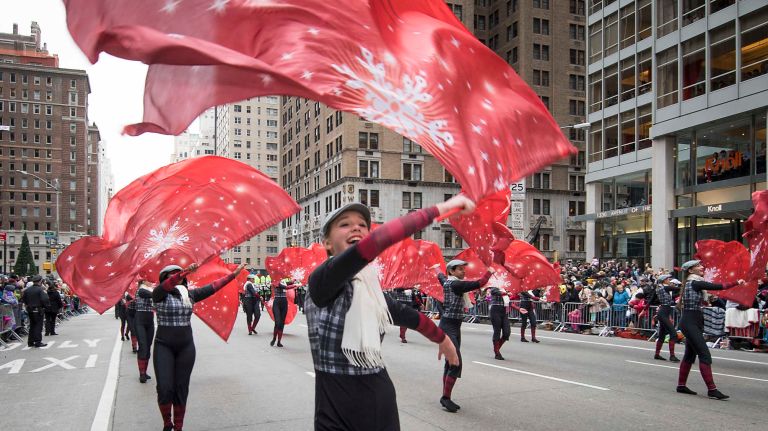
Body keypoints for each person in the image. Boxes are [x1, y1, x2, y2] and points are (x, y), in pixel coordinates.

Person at [306, 200, 462, 430]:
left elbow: (409, 316)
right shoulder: (321, 280)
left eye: (362, 224)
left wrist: (444, 340)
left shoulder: (370, 291)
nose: (356, 228)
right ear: (327, 243)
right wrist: (441, 209)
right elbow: (374, 245)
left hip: (379, 404)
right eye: (345, 224)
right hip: (332, 411)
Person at [152, 262, 245, 431]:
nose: (176, 277)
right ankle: (167, 423)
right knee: (165, 389)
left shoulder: (191, 295)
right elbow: (168, 284)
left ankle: (178, 426)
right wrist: (185, 271)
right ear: (164, 279)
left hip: (186, 347)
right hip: (163, 346)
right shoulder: (159, 294)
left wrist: (233, 275)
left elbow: (214, 286)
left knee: (181, 388)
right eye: (171, 275)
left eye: (178, 274)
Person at [676, 260, 745, 400]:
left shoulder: (693, 284)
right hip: (690, 322)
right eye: (698, 266)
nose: (702, 267)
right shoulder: (695, 282)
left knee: (690, 355)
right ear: (690, 270)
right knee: (705, 355)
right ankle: (712, 389)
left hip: (692, 321)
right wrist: (737, 282)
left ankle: (681, 385)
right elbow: (718, 286)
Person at [437, 259, 494, 413]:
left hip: (453, 326)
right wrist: (490, 270)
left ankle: (445, 396)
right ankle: (445, 398)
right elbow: (479, 283)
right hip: (449, 327)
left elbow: (440, 277)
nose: (464, 271)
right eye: (460, 269)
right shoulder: (456, 284)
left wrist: (436, 268)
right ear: (452, 271)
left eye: (464, 269)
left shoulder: (447, 281)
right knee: (455, 363)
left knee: (450, 364)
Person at [488, 286, 523, 360]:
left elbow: (508, 302)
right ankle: (497, 352)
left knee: (507, 332)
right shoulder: (495, 287)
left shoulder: (505, 289)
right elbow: (494, 291)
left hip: (503, 312)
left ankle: (497, 348)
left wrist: (519, 309)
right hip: (495, 311)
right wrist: (505, 292)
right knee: (497, 331)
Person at [653, 274, 680, 362]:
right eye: (668, 279)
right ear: (664, 280)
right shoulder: (665, 288)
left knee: (661, 335)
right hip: (664, 313)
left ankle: (657, 354)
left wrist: (644, 309)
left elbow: (651, 299)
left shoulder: (659, 288)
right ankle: (672, 355)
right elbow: (677, 289)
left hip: (663, 312)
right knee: (673, 334)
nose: (670, 281)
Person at [134, 280, 155, 383]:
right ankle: (141, 374)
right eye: (148, 280)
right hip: (140, 321)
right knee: (143, 346)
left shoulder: (151, 290)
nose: (151, 282)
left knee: (148, 346)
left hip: (150, 321)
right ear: (143, 281)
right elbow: (147, 294)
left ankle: (145, 371)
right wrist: (159, 292)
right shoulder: (141, 290)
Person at [20, 275, 49, 348]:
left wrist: (28, 305)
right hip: (38, 310)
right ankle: (38, 342)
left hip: (30, 310)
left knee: (32, 326)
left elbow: (23, 299)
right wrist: (45, 306)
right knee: (38, 326)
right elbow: (45, 299)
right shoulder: (40, 290)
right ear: (40, 281)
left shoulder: (28, 290)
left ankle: (30, 342)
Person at [270, 277, 298, 346]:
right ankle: (274, 338)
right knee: (278, 322)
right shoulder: (275, 280)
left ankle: (279, 341)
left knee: (282, 323)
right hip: (277, 302)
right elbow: (285, 287)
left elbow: (289, 283)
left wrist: (295, 280)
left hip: (284, 302)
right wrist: (295, 285)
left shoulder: (284, 281)